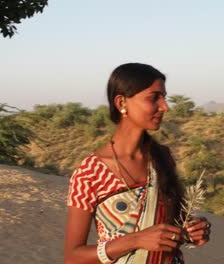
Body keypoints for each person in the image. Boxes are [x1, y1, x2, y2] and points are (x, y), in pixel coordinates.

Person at [64, 63, 211, 264]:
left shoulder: (162, 157)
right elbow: (73, 257)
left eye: (164, 97)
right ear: (121, 102)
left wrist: (193, 230)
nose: (165, 107)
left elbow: (171, 227)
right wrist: (135, 240)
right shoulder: (90, 173)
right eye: (154, 98)